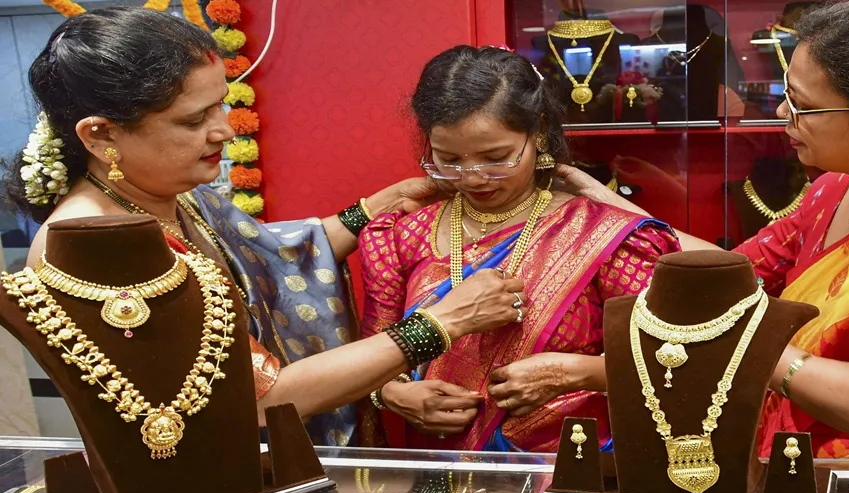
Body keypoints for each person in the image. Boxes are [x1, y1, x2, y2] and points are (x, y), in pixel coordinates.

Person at [8, 7, 525, 446]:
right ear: (101, 135)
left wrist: (371, 210)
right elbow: (255, 397)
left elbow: (268, 258)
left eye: (220, 104)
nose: (223, 130)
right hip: (207, 487)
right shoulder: (95, 244)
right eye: (193, 120)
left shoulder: (166, 194)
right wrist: (440, 323)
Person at [557, 0, 849, 459]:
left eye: (802, 105)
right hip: (791, 463)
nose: (780, 114)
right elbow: (733, 272)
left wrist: (758, 351)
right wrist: (605, 204)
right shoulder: (836, 189)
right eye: (787, 95)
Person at [359, 46, 678, 453]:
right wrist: (392, 393)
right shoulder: (401, 236)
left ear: (538, 131)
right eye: (448, 159)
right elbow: (373, 357)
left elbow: (673, 362)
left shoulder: (604, 235)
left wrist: (577, 373)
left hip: (574, 470)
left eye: (496, 158)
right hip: (437, 472)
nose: (473, 178)